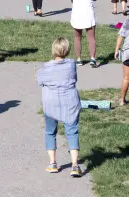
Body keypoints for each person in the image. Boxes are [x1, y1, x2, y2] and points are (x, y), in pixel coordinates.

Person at [37, 37, 82, 178]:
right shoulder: (71, 64)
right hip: (70, 103)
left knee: (50, 132)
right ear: (67, 50)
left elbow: (38, 79)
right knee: (72, 132)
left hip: (51, 103)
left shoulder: (47, 67)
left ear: (53, 50)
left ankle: (52, 163)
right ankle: (75, 165)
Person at [69, 0, 97, 67]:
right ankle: (92, 58)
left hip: (77, 16)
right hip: (89, 15)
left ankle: (78, 59)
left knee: (77, 38)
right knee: (91, 38)